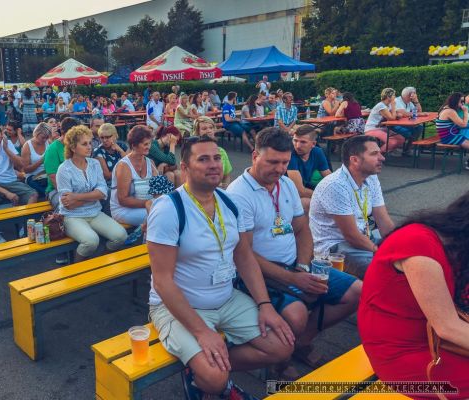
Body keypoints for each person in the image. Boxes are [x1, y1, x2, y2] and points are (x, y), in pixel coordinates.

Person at [147, 134, 294, 398]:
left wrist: (265, 305)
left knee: (281, 346)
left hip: (226, 298)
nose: (214, 164)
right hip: (179, 306)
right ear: (185, 167)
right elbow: (162, 281)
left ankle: (202, 368)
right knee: (215, 379)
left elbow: (245, 257)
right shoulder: (168, 209)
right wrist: (201, 331)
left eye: (216, 157)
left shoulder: (228, 202)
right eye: (203, 159)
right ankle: (217, 380)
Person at [226, 128, 361, 379]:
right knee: (296, 314)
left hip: (295, 266)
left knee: (356, 292)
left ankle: (299, 344)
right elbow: (244, 255)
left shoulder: (286, 184)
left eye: (285, 162)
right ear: (254, 156)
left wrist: (302, 267)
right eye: (272, 162)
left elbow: (302, 229)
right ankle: (281, 359)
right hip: (258, 274)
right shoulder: (237, 194)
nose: (279, 169)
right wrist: (293, 278)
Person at [358, 192, 469, 397]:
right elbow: (448, 328)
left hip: (435, 340)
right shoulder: (419, 244)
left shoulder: (457, 246)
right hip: (401, 352)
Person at [310, 135, 395, 278]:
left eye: (380, 153)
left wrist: (398, 244)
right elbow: (351, 236)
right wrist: (385, 252)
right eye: (374, 154)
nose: (382, 158)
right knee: (387, 271)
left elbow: (384, 221)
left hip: (363, 240)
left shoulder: (371, 177)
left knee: (409, 257)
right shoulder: (335, 185)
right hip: (335, 249)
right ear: (355, 160)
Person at [56, 125, 128, 261]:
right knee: (91, 241)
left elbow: (103, 192)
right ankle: (77, 269)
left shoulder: (94, 164)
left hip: (95, 213)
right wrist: (93, 196)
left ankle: (100, 262)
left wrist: (76, 196)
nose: (89, 147)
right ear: (73, 147)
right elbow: (68, 205)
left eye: (90, 143)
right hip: (72, 216)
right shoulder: (64, 169)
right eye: (84, 144)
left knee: (121, 236)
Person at [0, 124, 38, 243]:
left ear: (2, 136)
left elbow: (21, 166)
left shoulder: (8, 144)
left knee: (33, 194)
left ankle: (25, 227)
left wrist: (6, 149)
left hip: (11, 181)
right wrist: (7, 193)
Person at [110, 125, 159, 226]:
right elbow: (123, 200)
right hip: (123, 210)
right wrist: (149, 203)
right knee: (158, 216)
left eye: (149, 143)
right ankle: (142, 234)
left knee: (166, 212)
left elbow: (158, 190)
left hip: (146, 205)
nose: (148, 147)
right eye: (145, 144)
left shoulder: (150, 163)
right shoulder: (124, 166)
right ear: (134, 145)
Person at [287, 125, 331, 213]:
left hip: (303, 189)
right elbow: (300, 191)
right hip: (285, 195)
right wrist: (327, 198)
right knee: (310, 204)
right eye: (295, 140)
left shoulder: (317, 152)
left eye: (303, 142)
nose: (298, 146)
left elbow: (330, 179)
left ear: (313, 144)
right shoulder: (290, 154)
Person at [44, 117, 80, 209]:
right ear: (63, 132)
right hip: (56, 190)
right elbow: (53, 177)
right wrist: (70, 195)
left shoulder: (76, 146)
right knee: (65, 203)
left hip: (78, 187)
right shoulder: (53, 149)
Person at [194, 116, 233, 188]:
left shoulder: (221, 151)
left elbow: (226, 176)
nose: (209, 131)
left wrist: (225, 188)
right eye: (204, 129)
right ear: (197, 133)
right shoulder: (193, 153)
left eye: (211, 128)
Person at [364, 88, 404, 153]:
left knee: (401, 139)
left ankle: (387, 151)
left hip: (382, 128)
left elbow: (398, 114)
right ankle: (377, 155)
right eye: (394, 95)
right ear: (388, 97)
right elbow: (392, 118)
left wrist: (397, 113)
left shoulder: (388, 105)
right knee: (391, 142)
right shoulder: (381, 106)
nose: (395, 97)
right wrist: (393, 107)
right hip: (372, 129)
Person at [435, 92, 469, 165]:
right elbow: (463, 124)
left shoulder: (446, 108)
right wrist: (466, 112)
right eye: (461, 102)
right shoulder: (450, 111)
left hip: (451, 135)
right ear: (455, 101)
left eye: (463, 101)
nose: (463, 104)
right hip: (449, 138)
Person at [21, 122, 51, 199]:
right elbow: (26, 170)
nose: (45, 140)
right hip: (33, 176)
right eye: (43, 137)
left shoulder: (48, 143)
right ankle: (48, 196)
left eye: (47, 137)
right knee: (44, 190)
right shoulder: (27, 146)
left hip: (46, 174)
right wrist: (41, 161)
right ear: (36, 134)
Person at [393, 86, 424, 151]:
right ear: (409, 95)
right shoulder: (397, 101)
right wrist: (419, 114)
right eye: (414, 93)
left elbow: (419, 111)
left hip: (405, 124)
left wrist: (416, 101)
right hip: (394, 124)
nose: (415, 95)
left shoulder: (409, 102)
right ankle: (407, 149)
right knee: (409, 134)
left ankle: (407, 149)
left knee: (419, 127)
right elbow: (404, 113)